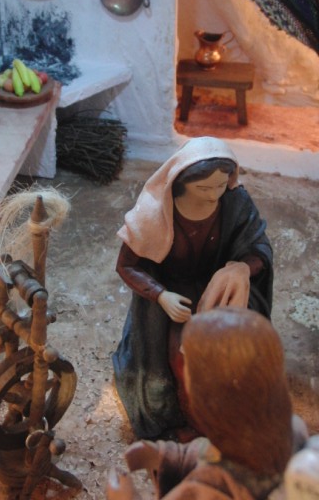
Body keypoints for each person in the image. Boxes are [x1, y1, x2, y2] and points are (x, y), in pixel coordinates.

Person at [112, 137, 273, 441]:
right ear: (182, 182)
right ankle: (191, 421)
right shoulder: (155, 211)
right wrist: (160, 295)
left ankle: (225, 415)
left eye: (220, 185)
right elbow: (126, 266)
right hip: (173, 297)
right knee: (182, 359)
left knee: (236, 353)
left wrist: (241, 268)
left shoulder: (235, 202)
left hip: (220, 291)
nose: (214, 195)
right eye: (203, 188)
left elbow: (259, 248)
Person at [121, 308, 309, 500]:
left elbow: (212, 461)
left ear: (212, 403)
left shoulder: (204, 492)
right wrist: (168, 456)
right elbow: (211, 453)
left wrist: (127, 496)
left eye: (190, 370)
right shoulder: (293, 429)